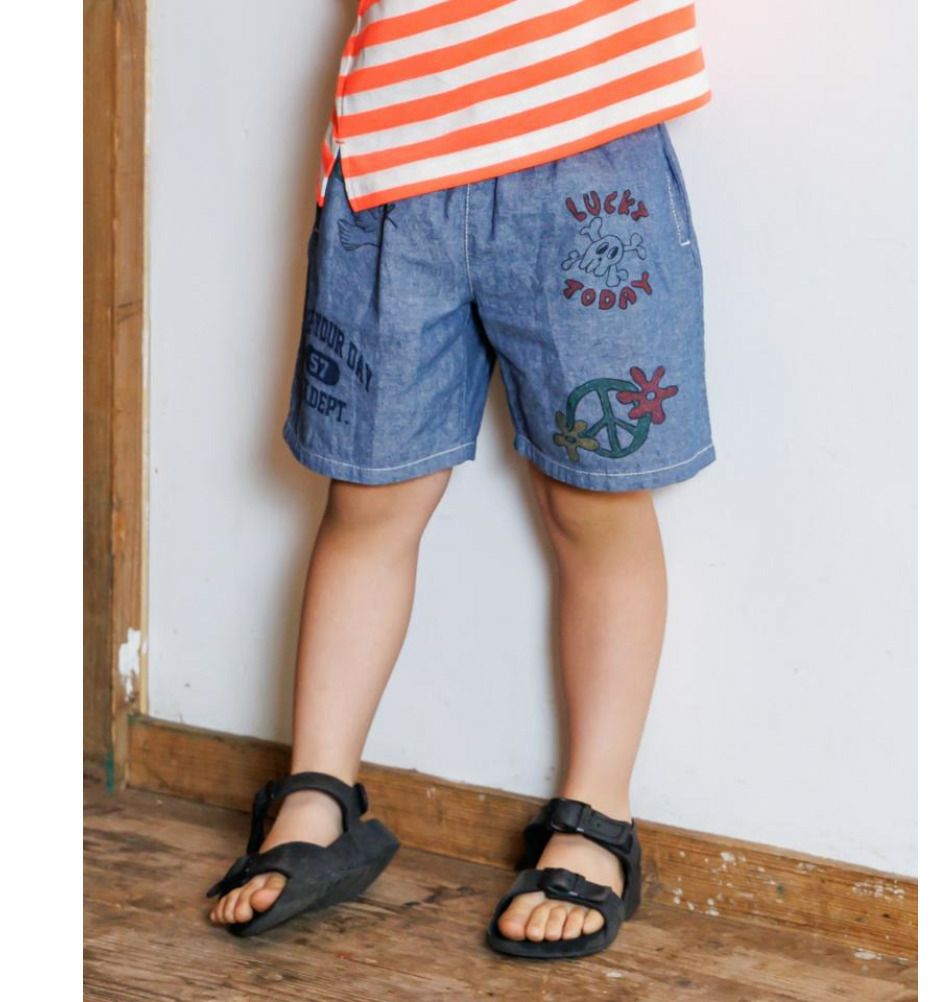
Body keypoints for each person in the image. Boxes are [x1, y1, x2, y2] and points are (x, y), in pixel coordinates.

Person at [207, 0, 715, 959]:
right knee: (369, 500)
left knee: (596, 505)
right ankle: (317, 793)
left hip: (589, 151)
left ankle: (598, 815)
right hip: (396, 160)